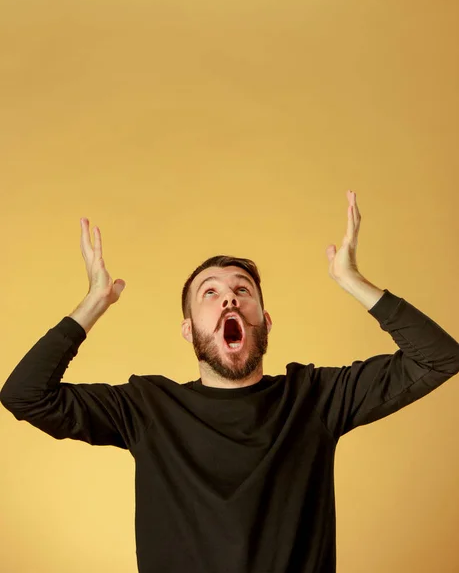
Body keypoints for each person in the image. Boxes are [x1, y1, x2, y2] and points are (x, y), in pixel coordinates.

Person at [1, 191, 458, 573]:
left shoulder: (316, 398)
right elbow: (25, 395)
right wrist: (95, 301)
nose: (228, 301)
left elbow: (439, 358)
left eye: (242, 291)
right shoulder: (147, 407)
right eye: (211, 293)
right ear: (188, 329)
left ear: (265, 320)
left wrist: (353, 280)